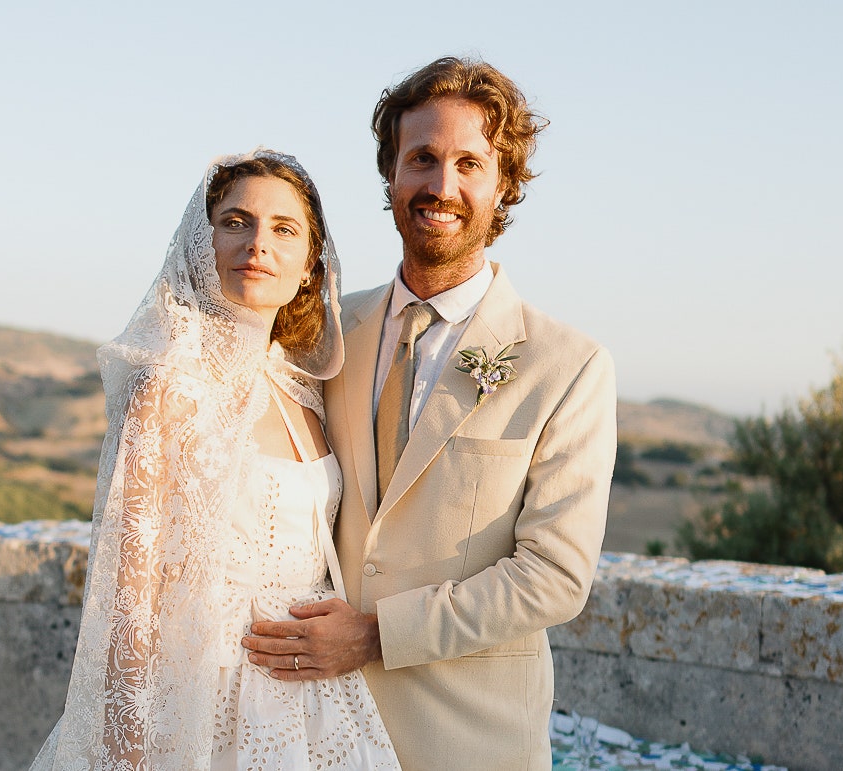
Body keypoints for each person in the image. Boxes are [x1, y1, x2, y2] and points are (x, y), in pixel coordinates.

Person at [243, 57, 618, 771]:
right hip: (314, 729)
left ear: (502, 183)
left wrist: (378, 633)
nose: (442, 186)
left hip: (469, 743)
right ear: (391, 175)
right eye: (422, 159)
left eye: (468, 163)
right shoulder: (322, 337)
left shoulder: (567, 366)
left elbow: (555, 576)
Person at [30, 150, 400, 770]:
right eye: (235, 222)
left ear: (310, 265)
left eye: (284, 229)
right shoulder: (170, 384)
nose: (258, 243)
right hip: (206, 687)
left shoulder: (302, 388)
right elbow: (130, 592)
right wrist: (130, 748)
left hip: (318, 696)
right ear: (203, 244)